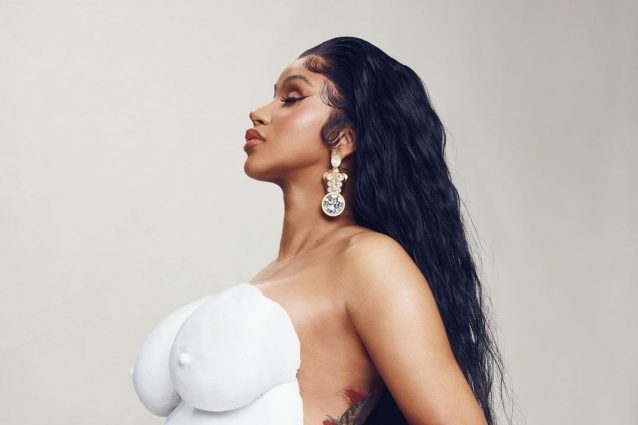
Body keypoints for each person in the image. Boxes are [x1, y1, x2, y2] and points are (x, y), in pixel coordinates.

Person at [131, 36, 512, 425]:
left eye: (291, 98)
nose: (258, 113)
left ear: (343, 138)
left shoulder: (368, 261)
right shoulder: (273, 274)